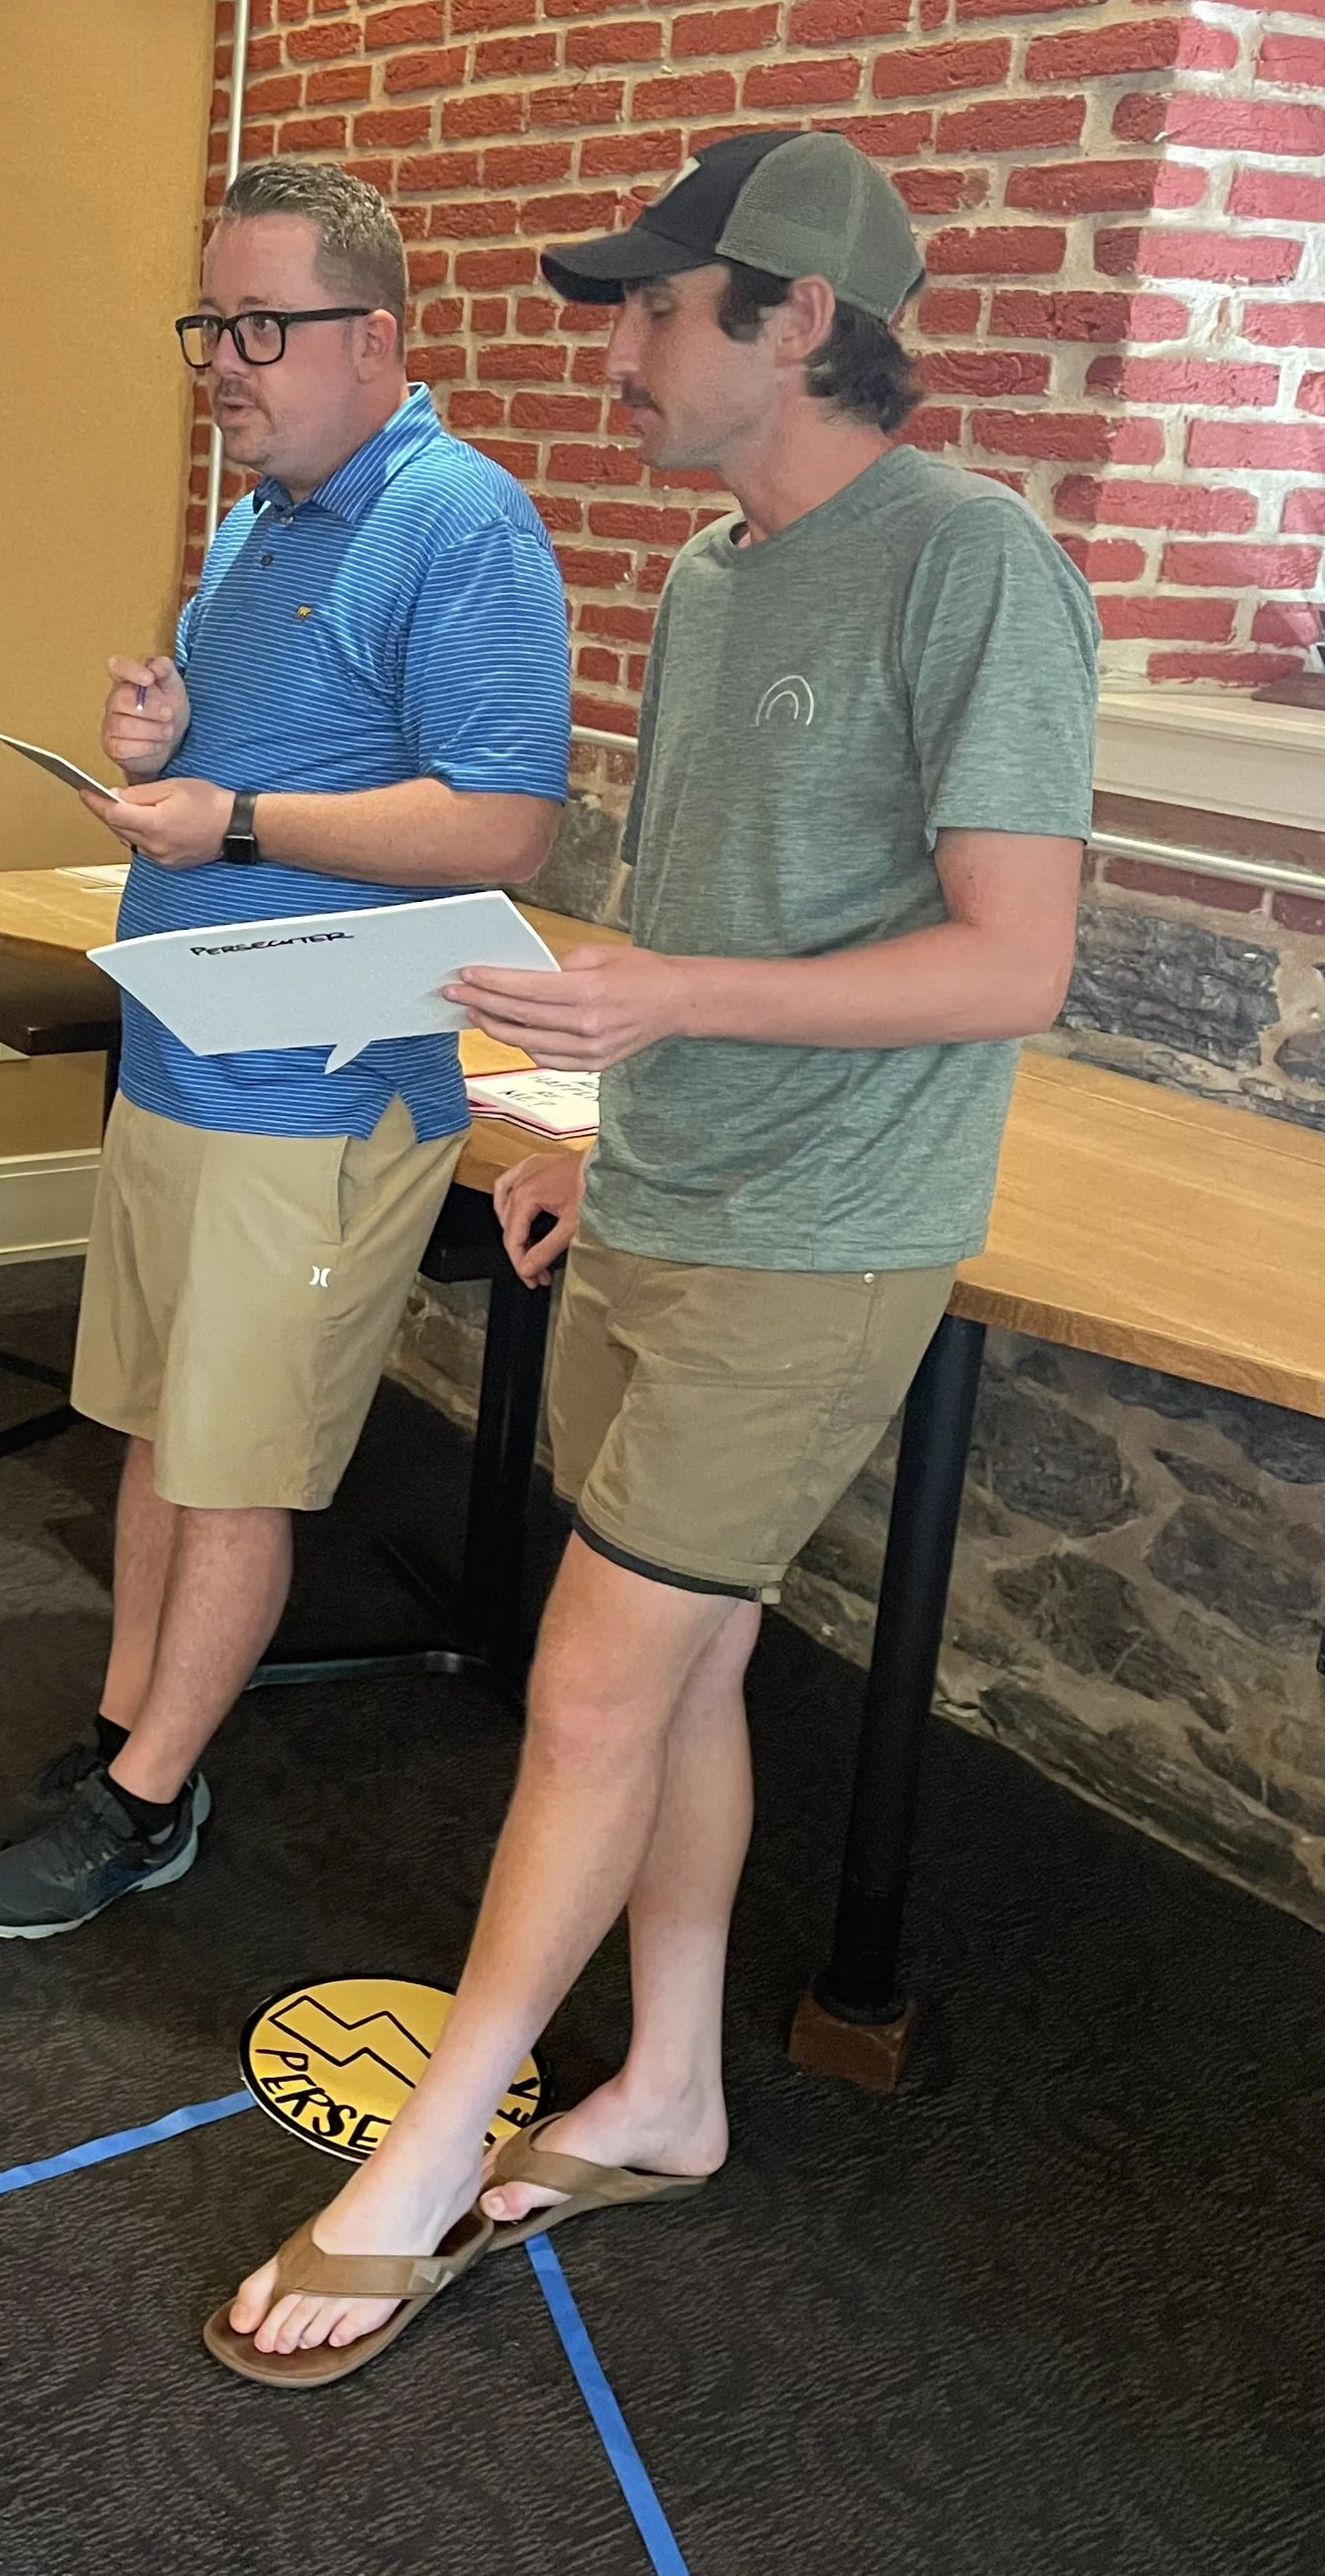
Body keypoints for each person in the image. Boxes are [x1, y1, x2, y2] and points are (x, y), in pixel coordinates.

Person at [212, 128, 1099, 2382]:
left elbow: (1010, 965)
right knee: (674, 1674)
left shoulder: (969, 562)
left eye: (651, 310)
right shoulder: (711, 580)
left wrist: (664, 1019)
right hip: (669, 1193)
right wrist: (599, 1130)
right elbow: (703, 930)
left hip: (827, 1232)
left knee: (592, 1683)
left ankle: (417, 2160)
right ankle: (672, 2087)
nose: (612, 352)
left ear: (793, 318)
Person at [0, 159, 570, 1940]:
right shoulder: (258, 520)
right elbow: (281, 781)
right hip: (186, 1058)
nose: (221, 361)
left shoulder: (461, 523)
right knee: (160, 1431)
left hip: (319, 1088)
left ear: (373, 337)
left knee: (235, 1463)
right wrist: (169, 739)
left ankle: (148, 1804)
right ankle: (127, 1733)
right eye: (205, 325)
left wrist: (225, 821)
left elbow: (501, 826)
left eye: (259, 327)